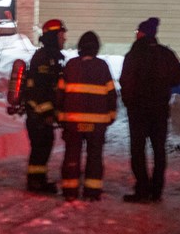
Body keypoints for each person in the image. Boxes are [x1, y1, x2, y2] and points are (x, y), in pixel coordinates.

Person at [119, 17, 180, 203]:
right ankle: (156, 190)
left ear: (142, 33)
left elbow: (126, 80)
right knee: (159, 150)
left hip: (138, 111)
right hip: (159, 110)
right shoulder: (165, 54)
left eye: (137, 32)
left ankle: (142, 188)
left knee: (138, 150)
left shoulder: (134, 54)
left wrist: (129, 101)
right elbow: (178, 77)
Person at [56, 30, 117, 201]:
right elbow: (112, 94)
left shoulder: (71, 66)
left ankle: (70, 190)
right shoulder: (103, 67)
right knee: (95, 157)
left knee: (72, 155)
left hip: (73, 121)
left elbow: (60, 93)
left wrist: (60, 116)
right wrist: (110, 116)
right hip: (97, 124)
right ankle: (92, 191)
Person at [22, 19, 67, 193]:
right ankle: (35, 183)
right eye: (61, 35)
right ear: (53, 36)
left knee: (43, 147)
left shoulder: (52, 56)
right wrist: (47, 112)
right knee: (40, 148)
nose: (64, 39)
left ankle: (38, 180)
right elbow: (40, 89)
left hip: (41, 114)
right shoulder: (44, 58)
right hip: (38, 114)